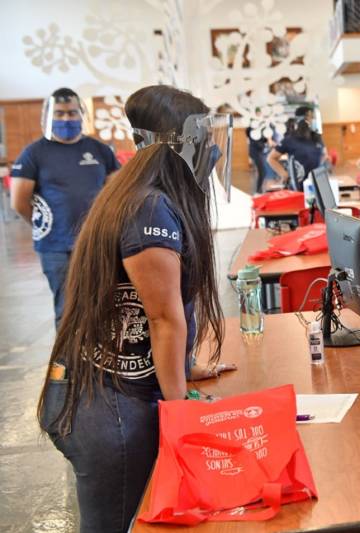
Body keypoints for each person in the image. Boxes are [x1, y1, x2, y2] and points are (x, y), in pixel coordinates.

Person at [36, 85, 238, 532]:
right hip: (106, 409)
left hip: (104, 395)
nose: (212, 155)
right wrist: (180, 402)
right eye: (204, 142)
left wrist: (182, 369)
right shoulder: (151, 208)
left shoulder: (141, 195)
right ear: (180, 147)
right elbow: (163, 318)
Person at [10, 87, 120, 327]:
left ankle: (100, 362)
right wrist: (46, 225)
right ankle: (68, 365)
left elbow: (116, 194)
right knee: (67, 311)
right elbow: (19, 202)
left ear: (81, 114)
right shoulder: (33, 154)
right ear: (48, 116)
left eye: (72, 113)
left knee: (103, 307)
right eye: (59, 114)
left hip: (96, 244)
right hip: (55, 248)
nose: (66, 119)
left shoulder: (100, 151)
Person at [267, 119, 325, 191]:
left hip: (317, 183)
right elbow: (271, 158)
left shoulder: (317, 138)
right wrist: (285, 175)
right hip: (299, 185)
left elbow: (323, 155)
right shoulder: (289, 140)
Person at [245, 125, 276, 193]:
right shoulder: (252, 129)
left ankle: (260, 190)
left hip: (259, 152)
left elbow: (266, 140)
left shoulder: (264, 129)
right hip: (256, 152)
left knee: (262, 172)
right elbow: (258, 142)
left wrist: (269, 140)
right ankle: (258, 191)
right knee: (262, 172)